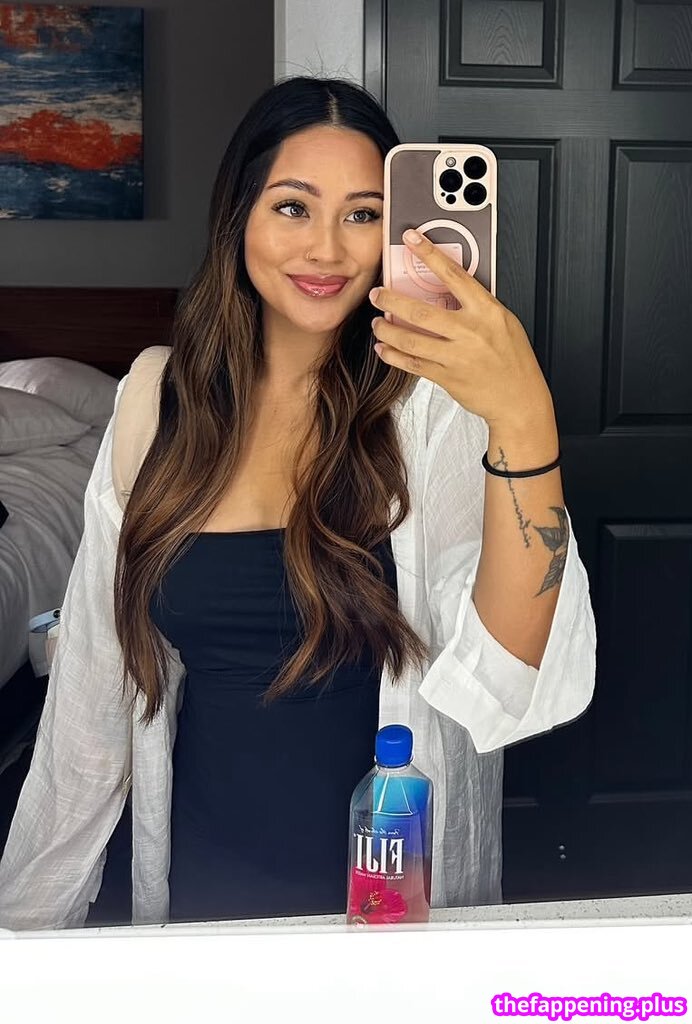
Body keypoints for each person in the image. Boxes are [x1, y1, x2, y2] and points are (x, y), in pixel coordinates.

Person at [0, 76, 596, 930]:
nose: (327, 250)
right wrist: (25, 930)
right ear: (238, 215)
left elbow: (508, 674)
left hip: (394, 906)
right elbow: (94, 686)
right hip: (205, 892)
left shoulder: (430, 408)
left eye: (362, 214)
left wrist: (523, 415)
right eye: (292, 207)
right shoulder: (154, 401)